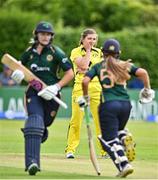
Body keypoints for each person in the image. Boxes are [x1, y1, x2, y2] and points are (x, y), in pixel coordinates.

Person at [81, 39, 155, 177]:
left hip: (109, 105)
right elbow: (143, 73)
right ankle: (124, 136)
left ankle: (124, 164)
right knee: (117, 131)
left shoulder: (98, 66)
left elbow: (85, 81)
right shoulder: (124, 65)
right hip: (126, 105)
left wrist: (85, 97)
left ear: (103, 53)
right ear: (118, 53)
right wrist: (147, 89)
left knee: (107, 140)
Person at [11, 21, 74, 176]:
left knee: (42, 126)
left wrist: (56, 87)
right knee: (34, 121)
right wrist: (17, 76)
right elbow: (19, 68)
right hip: (34, 93)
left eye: (48, 34)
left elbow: (70, 73)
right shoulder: (28, 53)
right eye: (42, 34)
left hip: (52, 95)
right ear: (37, 35)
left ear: (51, 36)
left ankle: (40, 132)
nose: (45, 37)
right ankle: (32, 163)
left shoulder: (56, 52)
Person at [65, 28, 106, 159]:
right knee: (76, 120)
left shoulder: (99, 52)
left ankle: (105, 151)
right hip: (80, 88)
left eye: (94, 39)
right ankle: (70, 149)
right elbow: (83, 67)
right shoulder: (76, 51)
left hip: (96, 89)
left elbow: (103, 70)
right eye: (89, 39)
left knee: (100, 121)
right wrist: (88, 51)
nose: (92, 41)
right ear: (83, 39)